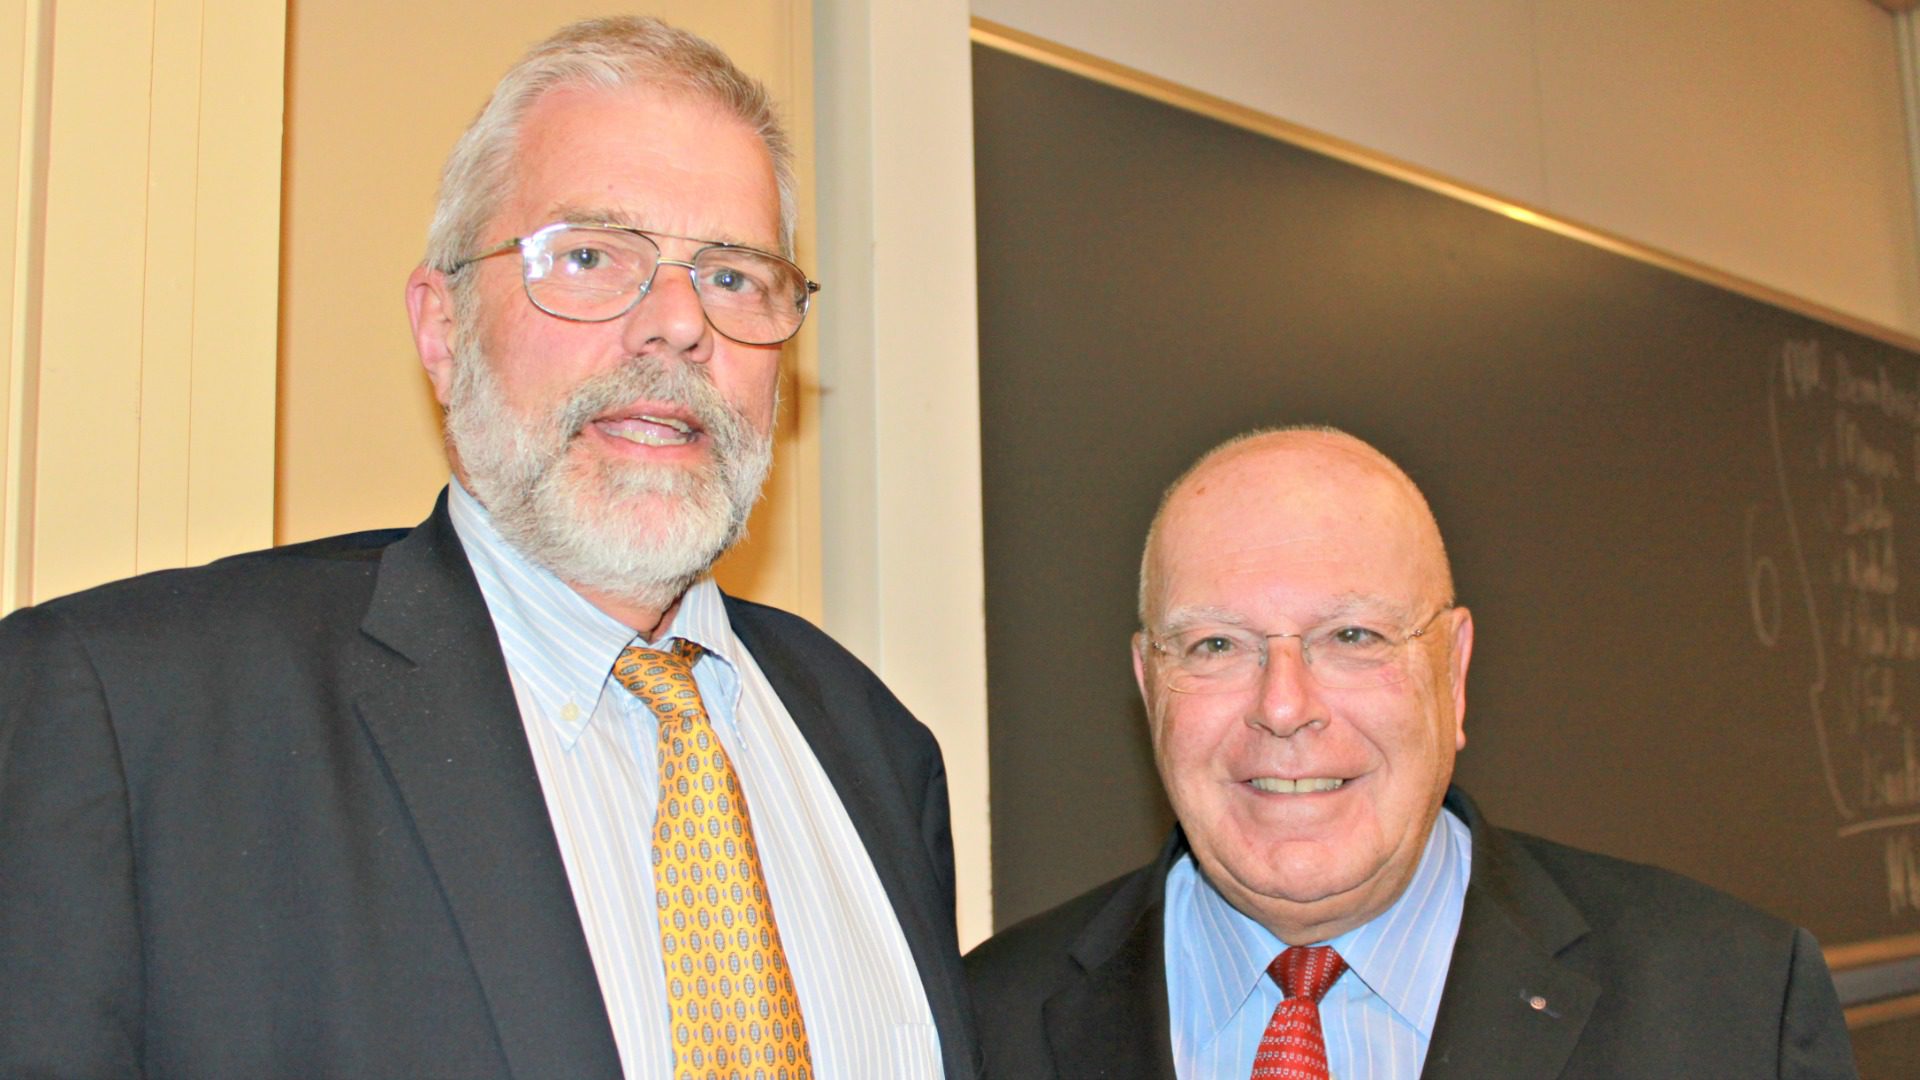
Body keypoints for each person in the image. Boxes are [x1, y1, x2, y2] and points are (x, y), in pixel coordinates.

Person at [0, 17, 975, 1080]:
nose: (677, 326)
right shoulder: (135, 714)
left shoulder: (881, 749)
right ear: (443, 326)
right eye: (595, 257)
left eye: (735, 277)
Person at [964, 427, 1855, 1079]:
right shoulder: (981, 1025)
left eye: (1352, 635)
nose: (1283, 706)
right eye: (1215, 646)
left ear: (1454, 673)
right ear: (1147, 682)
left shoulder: (1731, 1007)